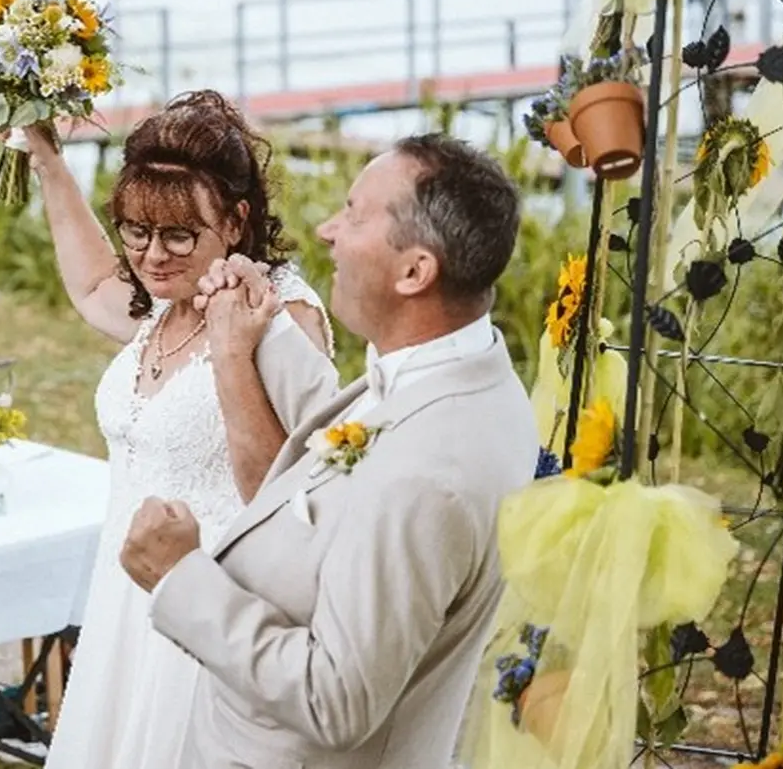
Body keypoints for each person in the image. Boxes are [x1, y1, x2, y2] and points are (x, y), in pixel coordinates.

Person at [119, 132, 540, 769]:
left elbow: (336, 700)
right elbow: (335, 458)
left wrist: (181, 579)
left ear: (415, 271)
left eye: (354, 215)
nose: (326, 230)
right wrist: (259, 328)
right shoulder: (458, 372)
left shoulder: (429, 473)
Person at [29, 90, 342, 769]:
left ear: (235, 222)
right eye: (135, 231)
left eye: (178, 234)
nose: (152, 254)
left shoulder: (278, 312)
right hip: (123, 606)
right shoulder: (164, 303)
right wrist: (48, 159)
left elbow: (285, 491)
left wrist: (233, 350)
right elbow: (88, 285)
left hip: (211, 607)